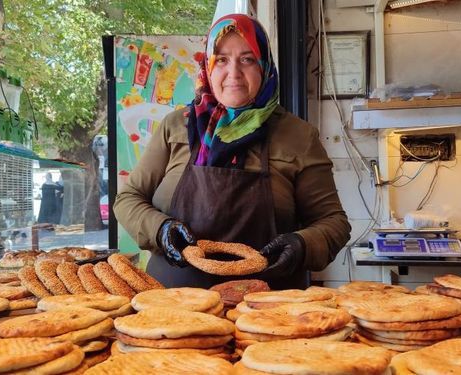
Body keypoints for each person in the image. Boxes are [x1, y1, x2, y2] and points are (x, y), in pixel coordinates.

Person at [114, 14, 350, 289]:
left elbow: (334, 222)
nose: (234, 73)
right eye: (222, 60)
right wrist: (160, 229)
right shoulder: (176, 126)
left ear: (264, 67)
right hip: (173, 306)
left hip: (270, 310)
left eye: (247, 59)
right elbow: (128, 199)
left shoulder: (298, 136)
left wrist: (302, 244)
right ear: (208, 67)